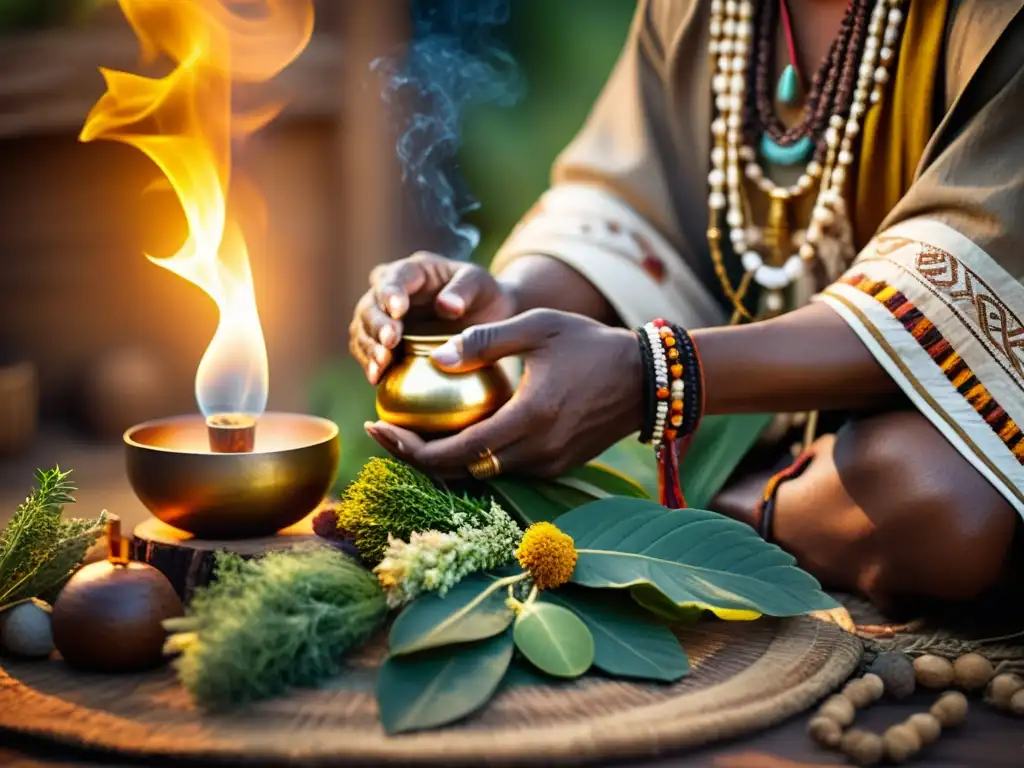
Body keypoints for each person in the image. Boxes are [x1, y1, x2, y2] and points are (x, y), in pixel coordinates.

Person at [349, 0, 1024, 614]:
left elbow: (970, 286)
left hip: (941, 424)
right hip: (746, 424)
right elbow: (626, 208)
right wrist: (507, 307)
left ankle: (677, 519)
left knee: (944, 501)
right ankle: (707, 509)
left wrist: (658, 377)